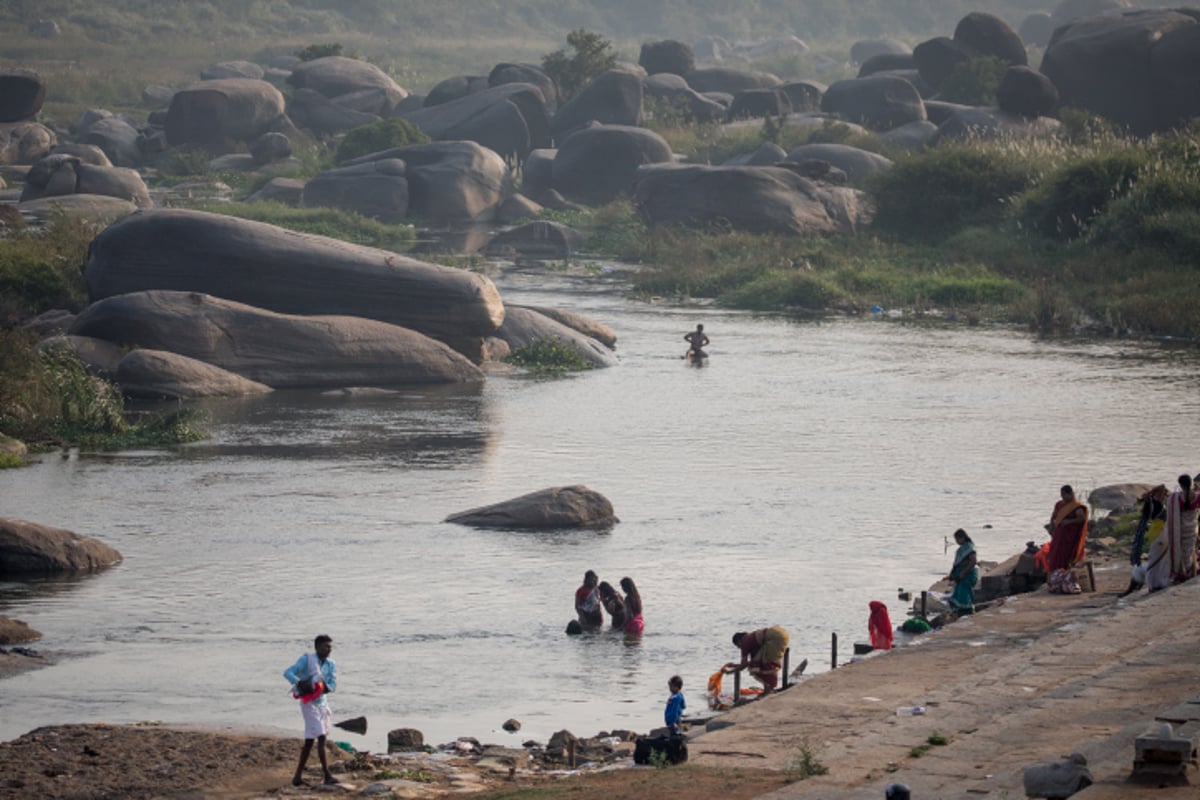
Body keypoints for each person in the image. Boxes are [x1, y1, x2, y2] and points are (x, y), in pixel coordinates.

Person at [283, 634, 338, 787]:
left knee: (309, 742)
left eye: (330, 647)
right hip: (309, 704)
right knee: (321, 737)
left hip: (322, 703)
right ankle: (327, 775)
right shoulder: (306, 660)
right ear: (317, 647)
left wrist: (325, 688)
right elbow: (288, 672)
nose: (329, 650)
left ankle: (297, 777)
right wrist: (300, 683)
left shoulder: (331, 664)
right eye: (325, 647)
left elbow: (333, 683)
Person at [725, 625, 790, 692]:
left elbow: (744, 665)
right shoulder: (750, 637)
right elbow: (750, 662)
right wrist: (734, 665)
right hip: (782, 634)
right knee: (763, 663)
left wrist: (730, 672)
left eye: (738, 646)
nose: (739, 648)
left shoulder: (744, 642)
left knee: (756, 668)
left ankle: (768, 689)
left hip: (775, 638)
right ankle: (768, 688)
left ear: (739, 641)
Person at [1164, 474, 1199, 583]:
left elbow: (1169, 506)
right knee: (1189, 549)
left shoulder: (1176, 497)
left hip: (1180, 528)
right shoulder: (1197, 496)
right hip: (1192, 527)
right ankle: (1189, 570)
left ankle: (1181, 571)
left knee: (1180, 549)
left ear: (1180, 484)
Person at [1046, 485, 1089, 573]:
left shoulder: (1076, 506)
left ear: (1070, 494)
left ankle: (1065, 572)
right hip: (1059, 534)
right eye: (1061, 495)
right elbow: (1054, 515)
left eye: (1064, 495)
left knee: (1066, 554)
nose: (1063, 497)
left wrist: (1069, 521)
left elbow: (1081, 518)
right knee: (1054, 553)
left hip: (1069, 536)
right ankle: (1054, 573)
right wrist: (1051, 525)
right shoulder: (1059, 504)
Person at [946, 529, 979, 613]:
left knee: (964, 590)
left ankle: (967, 610)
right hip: (961, 576)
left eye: (957, 539)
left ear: (963, 537)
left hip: (968, 574)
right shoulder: (961, 549)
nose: (957, 542)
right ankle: (963, 609)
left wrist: (963, 573)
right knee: (959, 591)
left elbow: (973, 561)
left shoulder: (969, 547)